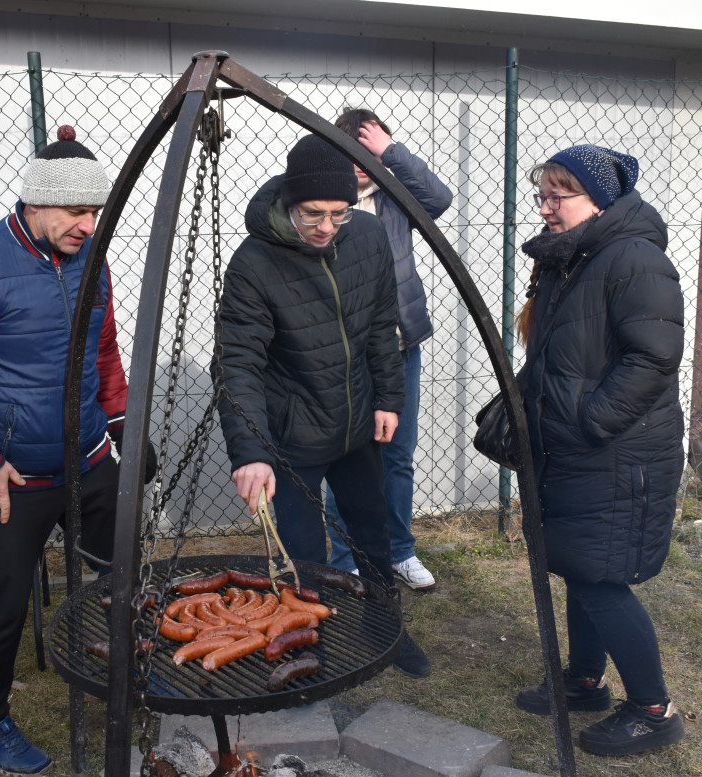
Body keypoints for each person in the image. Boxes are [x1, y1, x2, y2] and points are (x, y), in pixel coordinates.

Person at [0, 125, 137, 775]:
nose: (88, 226)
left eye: (96, 212)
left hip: (89, 458)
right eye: (76, 211)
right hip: (14, 474)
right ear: (34, 203)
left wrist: (122, 424)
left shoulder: (95, 261)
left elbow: (104, 352)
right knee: (6, 600)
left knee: (119, 574)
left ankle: (119, 676)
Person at [214, 133, 430, 678]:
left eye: (339, 213)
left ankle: (384, 626)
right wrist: (250, 453)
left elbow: (383, 323)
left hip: (358, 423)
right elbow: (238, 362)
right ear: (290, 202)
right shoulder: (254, 263)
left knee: (373, 533)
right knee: (303, 551)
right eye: (313, 214)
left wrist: (388, 397)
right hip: (293, 436)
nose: (326, 227)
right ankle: (312, 646)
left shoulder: (369, 236)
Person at [512, 145, 686, 755]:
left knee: (602, 580)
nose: (545, 207)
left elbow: (654, 357)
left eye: (559, 196)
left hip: (617, 452)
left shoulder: (633, 259)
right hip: (576, 446)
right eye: (543, 194)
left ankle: (654, 709)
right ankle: (585, 681)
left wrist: (590, 421)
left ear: (600, 200)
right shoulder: (572, 260)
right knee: (580, 565)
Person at [323, 107, 452, 590]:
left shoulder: (395, 198)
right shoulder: (329, 204)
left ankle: (399, 552)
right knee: (346, 454)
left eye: (372, 148)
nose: (364, 162)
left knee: (398, 454)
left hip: (401, 348)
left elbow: (439, 199)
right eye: (357, 149)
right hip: (347, 355)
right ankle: (346, 556)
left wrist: (391, 154)